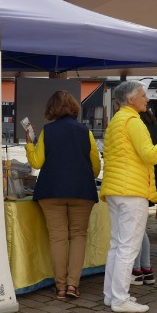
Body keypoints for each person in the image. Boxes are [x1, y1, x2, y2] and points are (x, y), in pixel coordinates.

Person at [100, 81, 157, 313]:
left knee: (117, 245)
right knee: (128, 247)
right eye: (143, 95)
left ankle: (112, 295)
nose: (147, 99)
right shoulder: (133, 121)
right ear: (131, 99)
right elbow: (151, 155)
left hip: (117, 189)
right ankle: (120, 298)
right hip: (131, 190)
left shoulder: (117, 120)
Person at [25, 91, 101, 300]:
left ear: (51, 109)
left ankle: (59, 287)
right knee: (78, 236)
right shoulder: (86, 132)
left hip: (51, 191)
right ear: (74, 108)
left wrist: (29, 144)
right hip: (81, 191)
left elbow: (37, 163)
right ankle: (72, 286)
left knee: (57, 238)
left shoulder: (47, 132)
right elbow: (96, 167)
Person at [131, 109, 157, 286]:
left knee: (136, 230)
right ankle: (146, 269)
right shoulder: (152, 122)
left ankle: (137, 269)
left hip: (138, 181)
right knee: (140, 228)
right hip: (149, 181)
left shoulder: (136, 123)